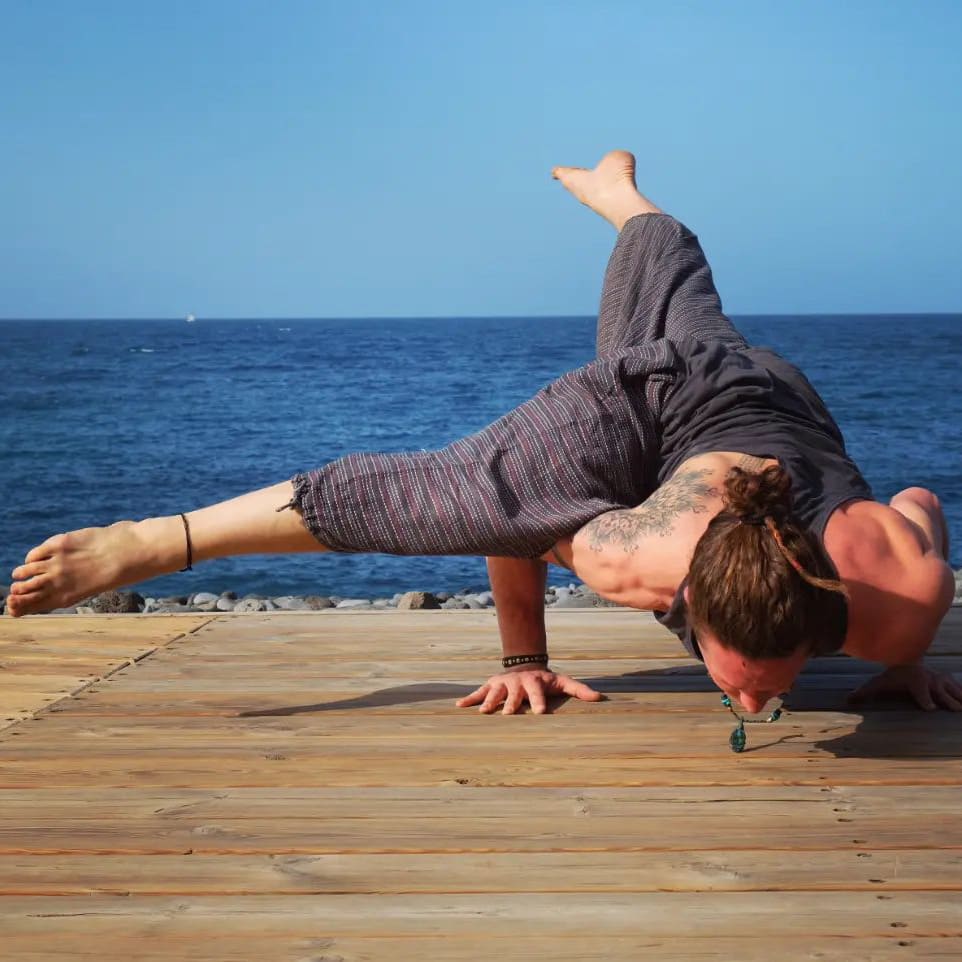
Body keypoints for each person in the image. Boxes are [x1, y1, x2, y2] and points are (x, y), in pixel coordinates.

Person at [7, 151, 960, 719]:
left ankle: (627, 202)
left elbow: (920, 506)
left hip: (774, 396)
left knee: (685, 298)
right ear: (687, 607)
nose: (753, 704)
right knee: (446, 494)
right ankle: (154, 540)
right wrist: (523, 660)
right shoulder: (638, 556)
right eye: (743, 680)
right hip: (654, 404)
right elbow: (508, 512)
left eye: (768, 684)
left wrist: (909, 663)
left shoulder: (901, 601)